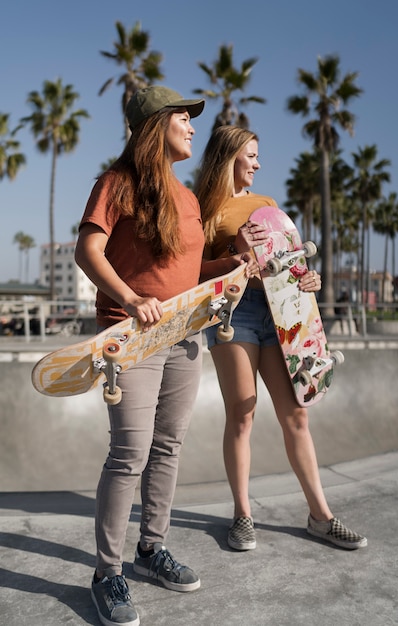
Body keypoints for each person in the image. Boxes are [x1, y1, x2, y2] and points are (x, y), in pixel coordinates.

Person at [75, 88, 257, 626]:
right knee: (129, 452)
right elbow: (88, 249)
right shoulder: (117, 184)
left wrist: (232, 265)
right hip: (130, 334)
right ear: (155, 125)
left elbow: (191, 270)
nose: (192, 127)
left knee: (168, 446)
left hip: (184, 336)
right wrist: (130, 299)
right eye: (183, 117)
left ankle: (151, 549)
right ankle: (107, 572)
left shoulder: (189, 199)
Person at [194, 125, 367, 553]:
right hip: (233, 315)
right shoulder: (199, 208)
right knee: (243, 414)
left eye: (257, 155)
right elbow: (190, 272)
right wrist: (232, 254)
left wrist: (306, 278)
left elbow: (284, 260)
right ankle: (242, 515)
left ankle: (320, 517)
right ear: (229, 155)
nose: (258, 163)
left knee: (297, 415)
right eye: (250, 155)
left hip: (281, 312)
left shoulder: (266, 206)